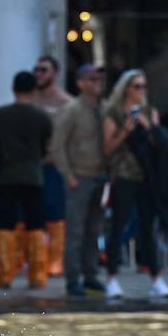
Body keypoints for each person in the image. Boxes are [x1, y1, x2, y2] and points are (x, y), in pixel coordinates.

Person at [100, 69, 168, 299]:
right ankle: (111, 277)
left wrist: (148, 126)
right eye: (137, 86)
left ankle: (156, 277)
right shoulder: (113, 113)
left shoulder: (149, 111)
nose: (141, 91)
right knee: (118, 225)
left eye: (144, 86)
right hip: (123, 174)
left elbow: (159, 144)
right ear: (126, 89)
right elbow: (107, 148)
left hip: (146, 175)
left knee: (147, 227)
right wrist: (126, 131)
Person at [0, 71, 53, 288]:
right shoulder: (41, 117)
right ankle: (38, 274)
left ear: (13, 89)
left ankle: (5, 273)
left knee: (6, 225)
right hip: (33, 175)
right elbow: (46, 143)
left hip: (5, 175)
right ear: (34, 90)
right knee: (35, 224)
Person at [51, 64, 109, 298]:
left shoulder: (104, 108)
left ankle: (91, 274)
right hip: (79, 176)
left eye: (100, 79)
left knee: (94, 230)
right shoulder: (71, 109)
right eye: (91, 79)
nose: (97, 83)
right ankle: (73, 278)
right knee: (75, 231)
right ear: (81, 83)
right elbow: (57, 145)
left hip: (100, 176)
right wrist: (68, 175)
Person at [33, 55, 72, 278]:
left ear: (55, 73)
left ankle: (55, 262)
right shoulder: (30, 100)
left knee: (55, 214)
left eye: (44, 70)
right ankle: (35, 261)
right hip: (31, 166)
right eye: (37, 70)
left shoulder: (65, 102)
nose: (39, 74)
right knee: (32, 216)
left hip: (54, 166)